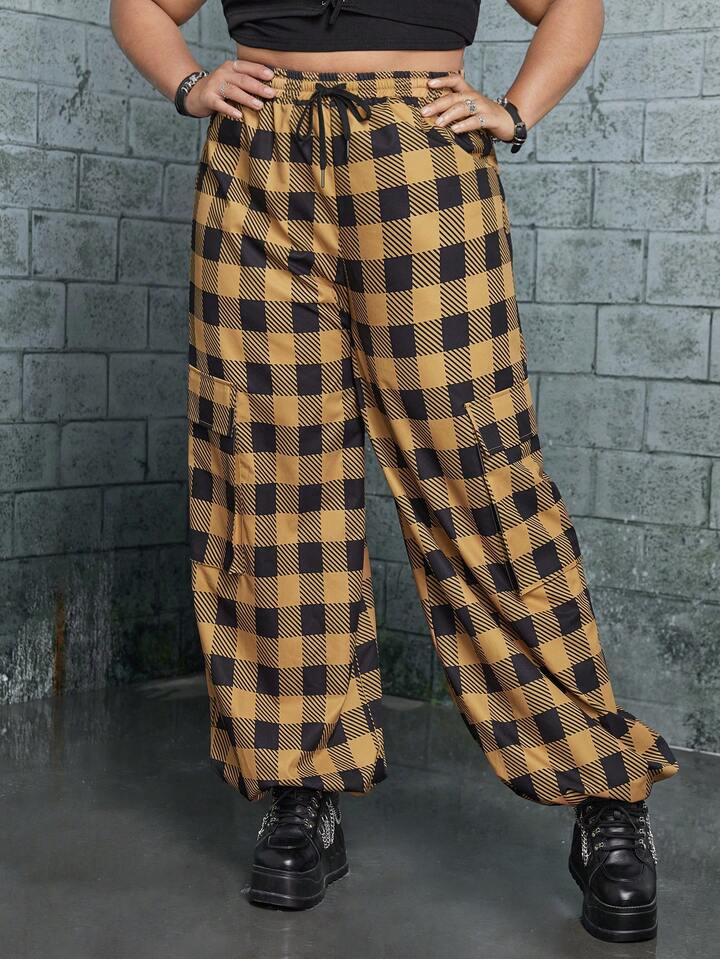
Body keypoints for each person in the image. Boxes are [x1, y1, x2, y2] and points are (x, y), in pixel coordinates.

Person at [110, 0, 679, 941]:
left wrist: (514, 109)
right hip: (258, 164)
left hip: (421, 160)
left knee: (482, 476)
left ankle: (603, 792)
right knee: (270, 480)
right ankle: (302, 786)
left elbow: (573, 7)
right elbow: (140, 7)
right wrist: (190, 83)